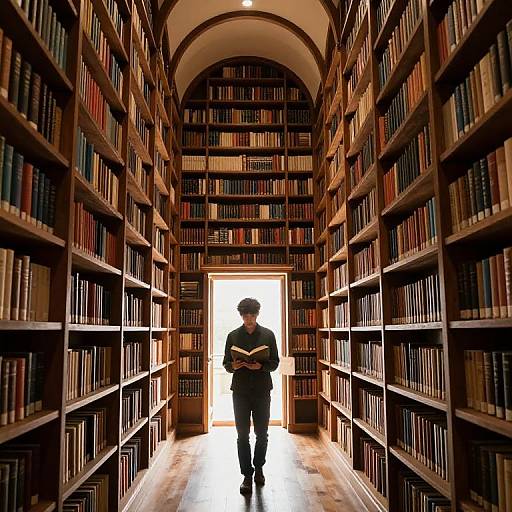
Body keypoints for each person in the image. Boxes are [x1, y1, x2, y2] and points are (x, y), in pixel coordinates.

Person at [222, 297, 280, 495]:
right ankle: (247, 474)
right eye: (245, 315)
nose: (249, 319)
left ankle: (259, 468)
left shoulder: (268, 334)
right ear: (241, 315)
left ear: (257, 314)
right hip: (240, 391)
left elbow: (275, 362)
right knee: (242, 435)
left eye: (252, 315)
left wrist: (261, 366)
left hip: (263, 389)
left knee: (262, 434)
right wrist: (233, 366)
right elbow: (225, 364)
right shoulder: (232, 336)